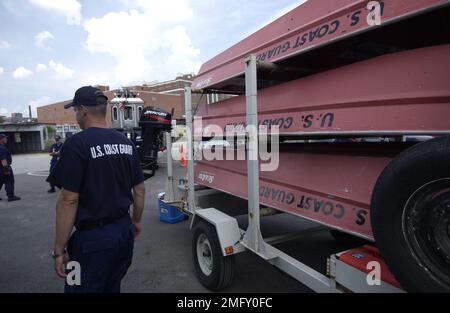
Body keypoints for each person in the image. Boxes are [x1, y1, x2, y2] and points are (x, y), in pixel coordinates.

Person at [47, 86, 145, 293]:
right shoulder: (127, 143)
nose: (75, 115)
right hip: (123, 234)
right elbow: (139, 191)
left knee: (76, 287)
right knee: (112, 285)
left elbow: (68, 200)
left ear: (82, 110)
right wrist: (135, 221)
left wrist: (59, 250)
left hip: (92, 241)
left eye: (74, 110)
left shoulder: (76, 144)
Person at [0, 134, 21, 202]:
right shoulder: (2, 148)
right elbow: (3, 159)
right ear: (1, 139)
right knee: (9, 181)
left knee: (0, 182)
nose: (6, 139)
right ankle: (11, 196)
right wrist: (6, 169)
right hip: (3, 167)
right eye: (5, 138)